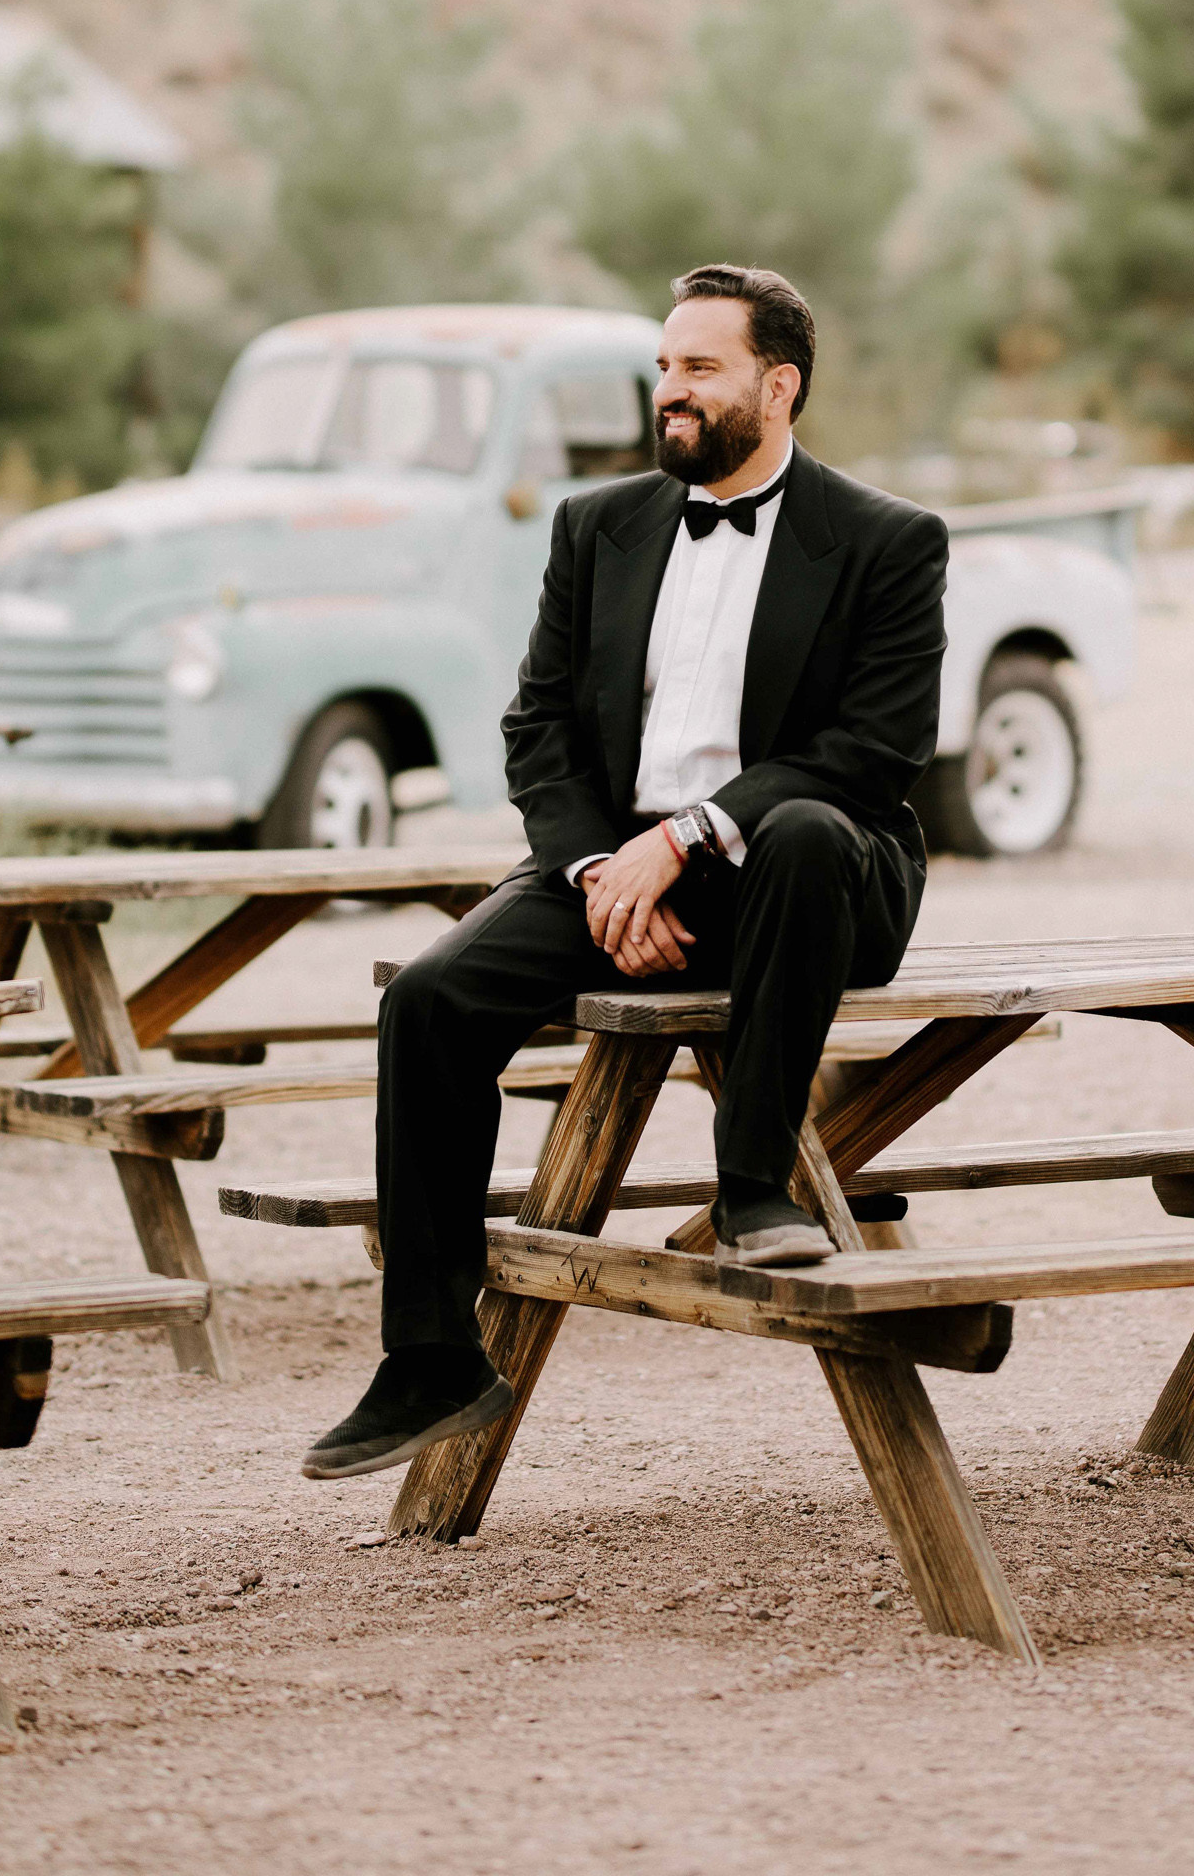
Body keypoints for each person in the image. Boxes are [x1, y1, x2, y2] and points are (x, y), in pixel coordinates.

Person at [303, 261, 950, 1481]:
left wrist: (687, 838)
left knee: (806, 826)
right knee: (426, 1004)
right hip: (617, 861)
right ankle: (431, 1359)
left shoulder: (885, 541)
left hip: (803, 874)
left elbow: (871, 753)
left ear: (780, 384)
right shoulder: (595, 527)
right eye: (663, 367)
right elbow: (536, 727)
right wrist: (606, 865)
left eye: (698, 369)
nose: (670, 391)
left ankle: (758, 1188)